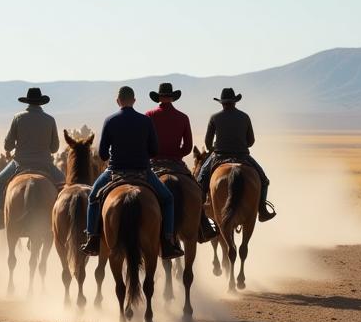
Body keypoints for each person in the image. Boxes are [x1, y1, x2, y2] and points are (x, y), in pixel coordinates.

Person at [80, 86, 184, 259]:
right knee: (167, 199)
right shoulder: (146, 121)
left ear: (118, 101)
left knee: (93, 197)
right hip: (143, 172)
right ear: (134, 101)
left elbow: (103, 154)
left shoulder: (110, 120)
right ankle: (168, 241)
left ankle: (92, 238)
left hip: (115, 171)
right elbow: (154, 150)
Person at [145, 82, 217, 241]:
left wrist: (152, 154)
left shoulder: (149, 115)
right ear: (172, 97)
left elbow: (144, 141)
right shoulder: (183, 117)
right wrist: (176, 154)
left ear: (158, 97)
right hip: (176, 163)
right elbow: (188, 146)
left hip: (153, 163)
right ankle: (203, 224)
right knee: (197, 191)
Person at [0, 87, 64, 230]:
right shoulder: (50, 119)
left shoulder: (18, 117)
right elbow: (54, 148)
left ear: (27, 102)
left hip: (20, 163)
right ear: (41, 102)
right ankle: (63, 219)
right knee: (65, 185)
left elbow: (8, 145)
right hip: (45, 164)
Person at [195, 87, 276, 221]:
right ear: (235, 102)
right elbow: (251, 141)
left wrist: (213, 148)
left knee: (200, 181)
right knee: (264, 180)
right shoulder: (244, 116)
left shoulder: (214, 117)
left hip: (219, 155)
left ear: (221, 103)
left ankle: (201, 217)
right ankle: (262, 210)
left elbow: (207, 142)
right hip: (242, 156)